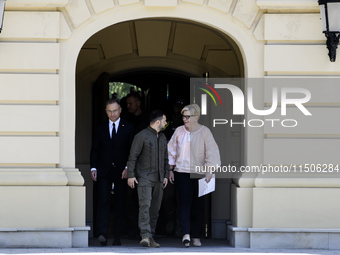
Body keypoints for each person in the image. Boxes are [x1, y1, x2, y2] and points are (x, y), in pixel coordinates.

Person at [167, 104, 221, 247]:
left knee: (198, 205)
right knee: (184, 203)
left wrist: (210, 169)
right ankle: (186, 234)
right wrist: (170, 169)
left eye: (188, 117)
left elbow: (212, 151)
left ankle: (196, 235)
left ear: (196, 117)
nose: (185, 119)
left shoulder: (205, 132)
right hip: (181, 172)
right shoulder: (179, 131)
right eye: (183, 117)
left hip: (199, 173)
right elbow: (171, 150)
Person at [90, 98, 134, 246]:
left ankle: (117, 236)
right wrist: (93, 167)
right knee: (103, 201)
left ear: (120, 110)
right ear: (106, 111)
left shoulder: (128, 127)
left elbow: (132, 151)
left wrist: (129, 167)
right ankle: (102, 233)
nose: (112, 114)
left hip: (122, 171)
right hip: (104, 170)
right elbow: (95, 149)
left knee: (120, 203)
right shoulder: (100, 127)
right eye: (109, 111)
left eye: (115, 110)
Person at [127, 110, 170, 248]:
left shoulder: (163, 137)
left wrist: (165, 175)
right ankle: (145, 235)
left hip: (159, 179)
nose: (166, 123)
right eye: (164, 120)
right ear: (158, 122)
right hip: (144, 177)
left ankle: (151, 236)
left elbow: (165, 159)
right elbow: (132, 157)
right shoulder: (141, 136)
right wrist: (131, 176)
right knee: (145, 206)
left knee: (155, 209)